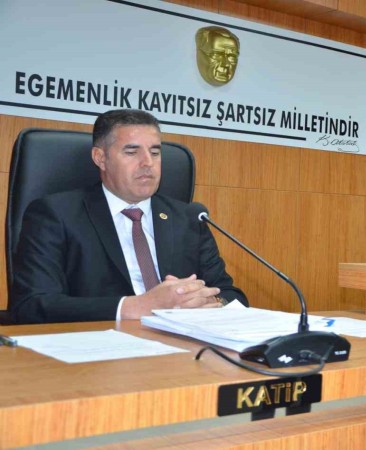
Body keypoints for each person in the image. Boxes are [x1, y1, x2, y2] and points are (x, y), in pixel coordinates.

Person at [11, 109, 248, 324]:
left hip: (183, 344)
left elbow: (231, 295)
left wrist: (209, 303)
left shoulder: (188, 218)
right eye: (132, 152)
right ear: (100, 158)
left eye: (155, 152)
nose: (148, 163)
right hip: (100, 347)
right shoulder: (56, 214)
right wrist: (139, 306)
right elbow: (32, 304)